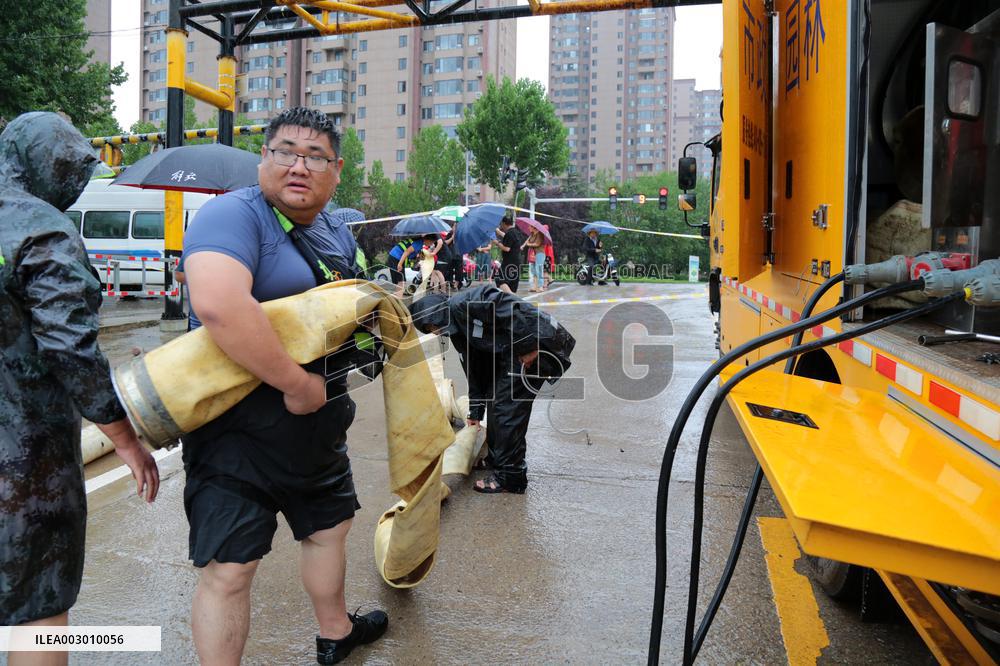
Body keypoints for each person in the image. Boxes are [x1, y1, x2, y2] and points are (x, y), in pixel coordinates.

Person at [181, 107, 387, 666]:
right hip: (235, 427)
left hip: (318, 421)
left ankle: (336, 632)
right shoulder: (231, 216)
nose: (299, 165)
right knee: (230, 567)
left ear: (336, 169)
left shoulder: (333, 226)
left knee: (327, 528)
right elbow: (219, 306)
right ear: (263, 159)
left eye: (315, 156)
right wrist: (295, 383)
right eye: (285, 152)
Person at [0, 112, 160, 664]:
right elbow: (70, 349)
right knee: (39, 608)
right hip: (25, 460)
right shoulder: (39, 226)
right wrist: (125, 438)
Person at [408, 285, 575, 493]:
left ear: (434, 315)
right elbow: (475, 370)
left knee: (508, 411)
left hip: (538, 343)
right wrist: (476, 411)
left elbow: (512, 308)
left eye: (431, 326)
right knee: (495, 400)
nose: (434, 332)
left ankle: (511, 477)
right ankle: (498, 461)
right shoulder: (458, 330)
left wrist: (527, 347)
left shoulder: (465, 302)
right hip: (513, 351)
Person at [493, 216, 525, 293]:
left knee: (499, 279)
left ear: (504, 223)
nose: (501, 226)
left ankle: (512, 297)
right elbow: (508, 236)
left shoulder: (509, 233)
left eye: (501, 224)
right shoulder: (516, 232)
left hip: (509, 262)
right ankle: (512, 299)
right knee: (512, 283)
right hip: (517, 261)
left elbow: (507, 248)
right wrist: (498, 231)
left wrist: (497, 242)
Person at [521, 228, 545, 292]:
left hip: (539, 253)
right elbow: (527, 240)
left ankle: (540, 287)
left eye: (530, 227)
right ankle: (535, 286)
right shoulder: (532, 234)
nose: (528, 228)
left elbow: (537, 244)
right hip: (532, 254)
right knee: (533, 270)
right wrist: (523, 245)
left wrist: (528, 244)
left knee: (539, 270)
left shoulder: (540, 234)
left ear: (534, 227)